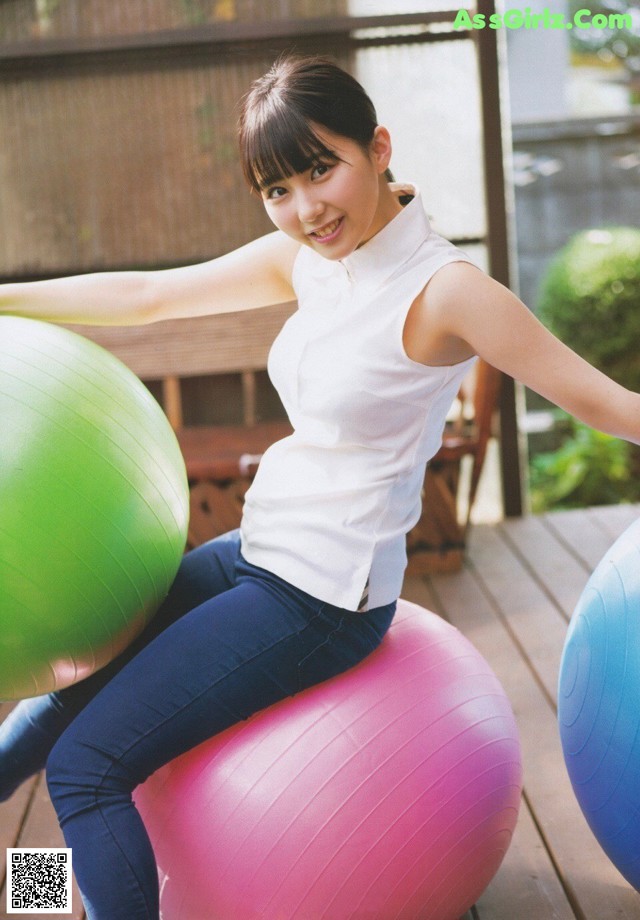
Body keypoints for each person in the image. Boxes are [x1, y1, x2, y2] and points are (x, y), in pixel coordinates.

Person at [1, 54, 639, 920]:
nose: (305, 208)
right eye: (277, 189)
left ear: (378, 147)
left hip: (320, 598)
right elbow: (150, 296)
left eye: (319, 168)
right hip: (255, 549)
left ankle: (68, 901)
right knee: (55, 708)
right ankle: (27, 898)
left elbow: (602, 400)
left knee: (86, 770)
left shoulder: (446, 292)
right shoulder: (306, 257)